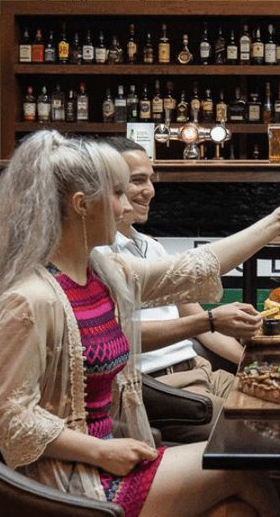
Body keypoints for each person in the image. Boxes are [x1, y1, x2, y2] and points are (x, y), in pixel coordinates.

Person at [0, 130, 280, 517]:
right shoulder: (31, 298)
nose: (126, 207)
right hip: (70, 479)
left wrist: (276, 222)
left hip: (108, 454)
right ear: (81, 205)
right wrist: (101, 450)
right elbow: (6, 413)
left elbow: (191, 268)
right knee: (243, 466)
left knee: (237, 512)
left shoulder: (104, 272)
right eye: (117, 193)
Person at [96, 137, 258, 443]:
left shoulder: (151, 246)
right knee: (270, 434)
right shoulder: (96, 254)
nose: (151, 191)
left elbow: (201, 325)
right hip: (157, 387)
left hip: (201, 370)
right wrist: (209, 321)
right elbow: (121, 336)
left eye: (151, 179)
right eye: (138, 181)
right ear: (106, 187)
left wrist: (250, 365)